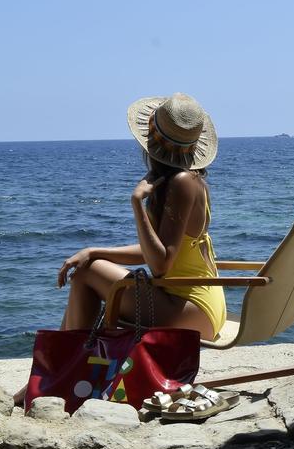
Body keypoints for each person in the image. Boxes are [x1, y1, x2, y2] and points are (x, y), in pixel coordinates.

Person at [14, 92, 226, 404]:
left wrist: (136, 205)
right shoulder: (186, 180)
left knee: (86, 274)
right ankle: (56, 374)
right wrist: (96, 250)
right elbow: (157, 251)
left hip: (192, 307)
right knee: (89, 266)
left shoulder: (181, 182)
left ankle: (55, 376)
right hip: (194, 301)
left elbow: (161, 264)